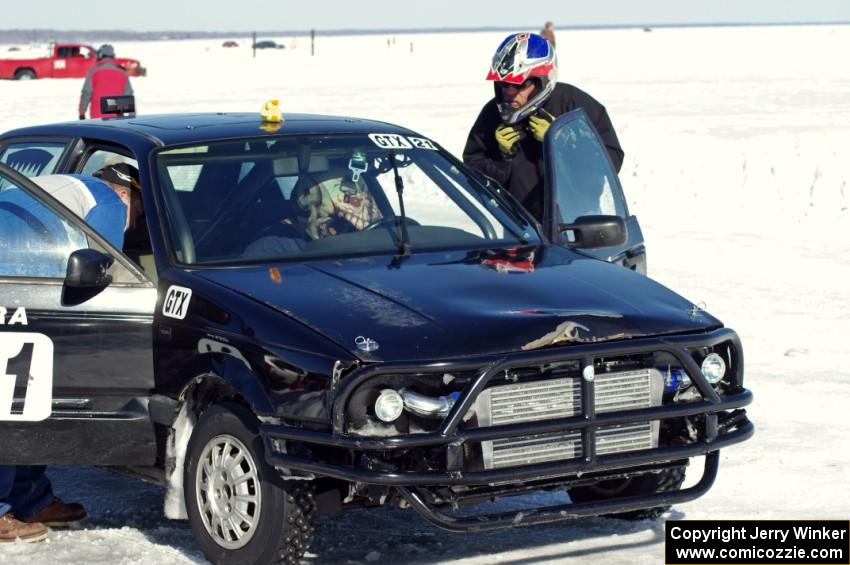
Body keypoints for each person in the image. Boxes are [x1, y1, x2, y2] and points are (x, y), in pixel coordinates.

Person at [0, 165, 141, 543]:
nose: (135, 223)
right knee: (9, 406)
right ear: (127, 193)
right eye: (140, 212)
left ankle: (32, 500)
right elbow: (107, 270)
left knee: (23, 404)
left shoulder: (61, 186)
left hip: (20, 285)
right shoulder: (108, 200)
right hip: (16, 286)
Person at [463, 32, 623, 221]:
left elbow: (609, 162)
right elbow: (473, 173)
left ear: (542, 80)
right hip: (518, 227)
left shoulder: (575, 106)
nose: (509, 92)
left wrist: (562, 140)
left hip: (576, 224)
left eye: (519, 85)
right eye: (503, 84)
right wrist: (502, 158)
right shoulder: (492, 114)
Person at [78, 44, 134, 120]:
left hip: (97, 117)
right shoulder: (122, 72)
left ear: (100, 55)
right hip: (117, 117)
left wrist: (82, 113)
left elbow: (86, 93)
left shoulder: (93, 72)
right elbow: (128, 95)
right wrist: (132, 116)